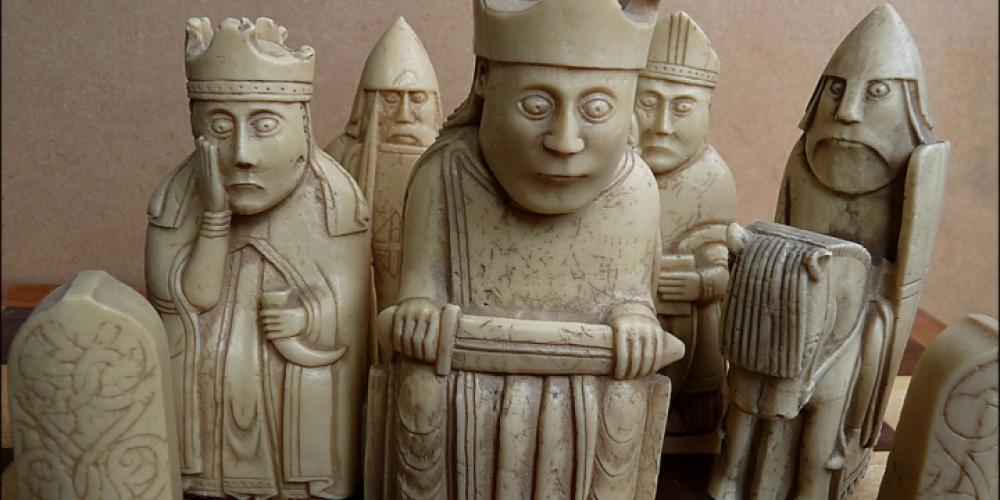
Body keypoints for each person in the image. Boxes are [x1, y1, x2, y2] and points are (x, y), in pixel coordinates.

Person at [365, 0, 685, 498]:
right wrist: (419, 313)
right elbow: (418, 292)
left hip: (585, 386)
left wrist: (635, 324)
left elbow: (634, 299)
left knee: (623, 399)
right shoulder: (445, 173)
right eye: (536, 106)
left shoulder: (634, 188)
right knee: (422, 390)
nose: (564, 140)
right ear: (485, 81)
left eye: (596, 109)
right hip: (463, 381)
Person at [144, 17, 371, 499]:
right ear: (194, 124)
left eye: (265, 125)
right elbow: (185, 304)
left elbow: (353, 308)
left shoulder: (335, 200)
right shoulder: (175, 201)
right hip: (206, 401)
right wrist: (215, 217)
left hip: (294, 395)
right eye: (220, 127)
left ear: (303, 124)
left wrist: (309, 315)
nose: (242, 153)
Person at [633, 11, 736, 452]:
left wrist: (701, 284)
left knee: (695, 398)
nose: (662, 124)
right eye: (647, 102)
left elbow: (728, 268)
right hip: (627, 326)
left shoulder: (713, 179)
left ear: (708, 110)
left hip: (691, 327)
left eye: (682, 108)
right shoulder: (608, 172)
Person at [325, 17, 444, 313]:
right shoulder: (341, 157)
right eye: (390, 99)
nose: (404, 114)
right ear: (368, 103)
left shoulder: (448, 160)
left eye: (417, 99)